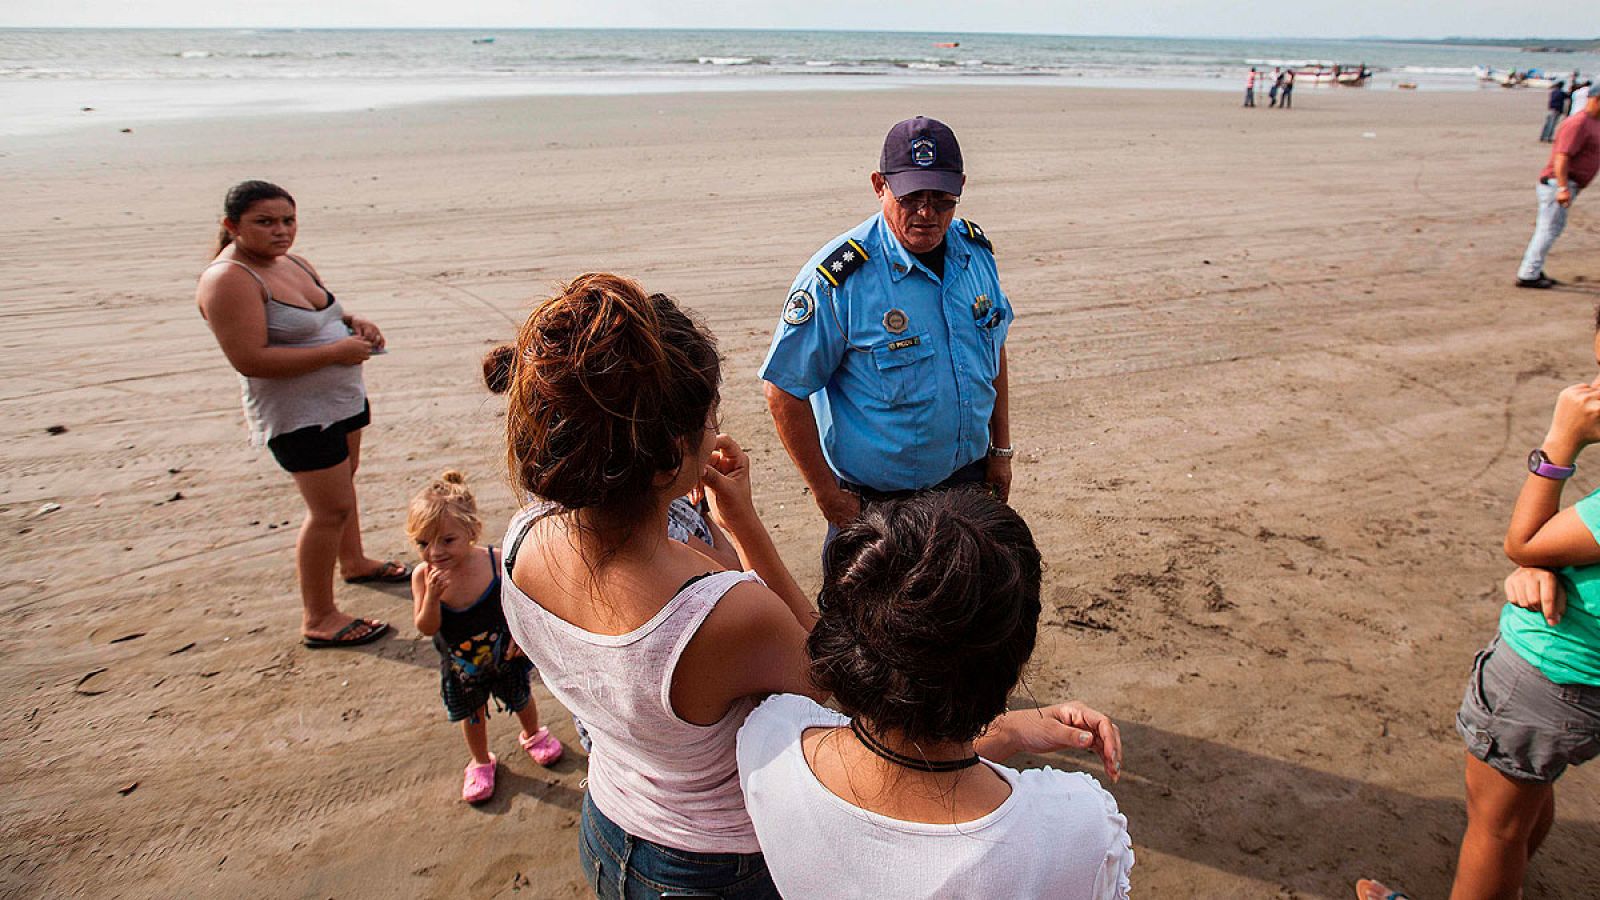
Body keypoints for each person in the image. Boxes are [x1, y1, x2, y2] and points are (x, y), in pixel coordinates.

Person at [498, 274, 1114, 899]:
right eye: (710, 419)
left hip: (609, 822)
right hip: (713, 867)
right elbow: (862, 694)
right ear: (670, 458)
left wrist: (710, 522)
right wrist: (745, 527)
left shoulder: (521, 543)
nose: (717, 432)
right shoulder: (722, 613)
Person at [737, 489, 1132, 899]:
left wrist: (1010, 732)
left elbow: (897, 765)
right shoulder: (1076, 829)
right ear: (1016, 664)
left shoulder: (769, 742)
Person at [1357, 310, 1600, 900]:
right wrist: (1546, 561)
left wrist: (1560, 440)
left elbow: (1523, 537)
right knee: (1526, 794)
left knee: (1495, 826)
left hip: (1552, 669)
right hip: (1580, 685)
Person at [759, 116, 1013, 560]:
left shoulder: (975, 254)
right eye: (912, 197)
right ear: (880, 185)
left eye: (942, 199)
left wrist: (1001, 451)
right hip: (879, 507)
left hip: (968, 485)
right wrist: (827, 495)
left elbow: (994, 349)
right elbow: (783, 390)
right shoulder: (838, 280)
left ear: (961, 188)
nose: (927, 214)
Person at [195, 180, 403, 649]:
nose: (281, 231)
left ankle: (354, 562)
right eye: (264, 222)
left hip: (341, 402)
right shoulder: (228, 279)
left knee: (345, 485)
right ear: (232, 226)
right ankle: (319, 616)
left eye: (288, 220)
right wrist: (335, 352)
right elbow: (250, 359)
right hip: (298, 416)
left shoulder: (294, 262)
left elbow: (327, 316)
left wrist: (357, 325)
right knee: (328, 509)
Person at [407, 470, 563, 804]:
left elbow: (520, 603)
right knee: (473, 714)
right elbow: (426, 627)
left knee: (521, 698)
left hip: (504, 654)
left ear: (471, 532)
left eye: (447, 540)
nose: (434, 552)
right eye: (423, 543)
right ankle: (480, 761)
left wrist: (522, 637)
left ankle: (533, 734)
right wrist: (432, 597)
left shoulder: (494, 562)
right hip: (463, 668)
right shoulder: (424, 577)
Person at [1515, 89, 1600, 289]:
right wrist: (1562, 187)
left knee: (1552, 227)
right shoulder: (1577, 123)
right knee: (1549, 228)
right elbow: (1562, 157)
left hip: (1570, 184)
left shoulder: (1594, 123)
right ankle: (1528, 274)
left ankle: (1533, 268)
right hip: (1558, 183)